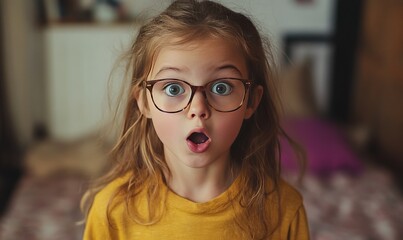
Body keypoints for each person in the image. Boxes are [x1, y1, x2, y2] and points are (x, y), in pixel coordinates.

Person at [81, 0, 310, 239]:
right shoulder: (112, 211)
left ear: (251, 101)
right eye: (172, 88)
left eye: (221, 88)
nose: (198, 109)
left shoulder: (284, 210)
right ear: (145, 102)